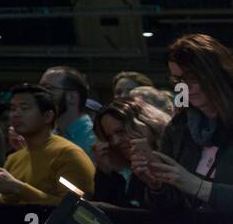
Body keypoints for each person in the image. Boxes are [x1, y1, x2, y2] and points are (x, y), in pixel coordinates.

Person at [136, 34, 233, 211]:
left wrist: (197, 186)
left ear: (219, 74)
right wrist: (157, 185)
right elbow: (172, 207)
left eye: (193, 77)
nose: (185, 87)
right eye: (178, 80)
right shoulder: (179, 128)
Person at [0, 84, 95, 204]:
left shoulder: (68, 154)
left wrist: (19, 188)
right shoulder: (13, 159)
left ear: (47, 116)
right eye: (13, 108)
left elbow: (77, 204)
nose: (16, 114)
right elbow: (9, 203)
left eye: (24, 108)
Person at [91, 98, 169, 208]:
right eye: (109, 137)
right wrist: (106, 172)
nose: (115, 142)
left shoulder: (174, 159)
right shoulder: (133, 171)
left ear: (145, 124)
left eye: (121, 131)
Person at [40, 65, 96, 155]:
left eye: (48, 88)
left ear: (72, 97)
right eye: (40, 89)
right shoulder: (49, 135)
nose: (40, 95)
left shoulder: (93, 138)